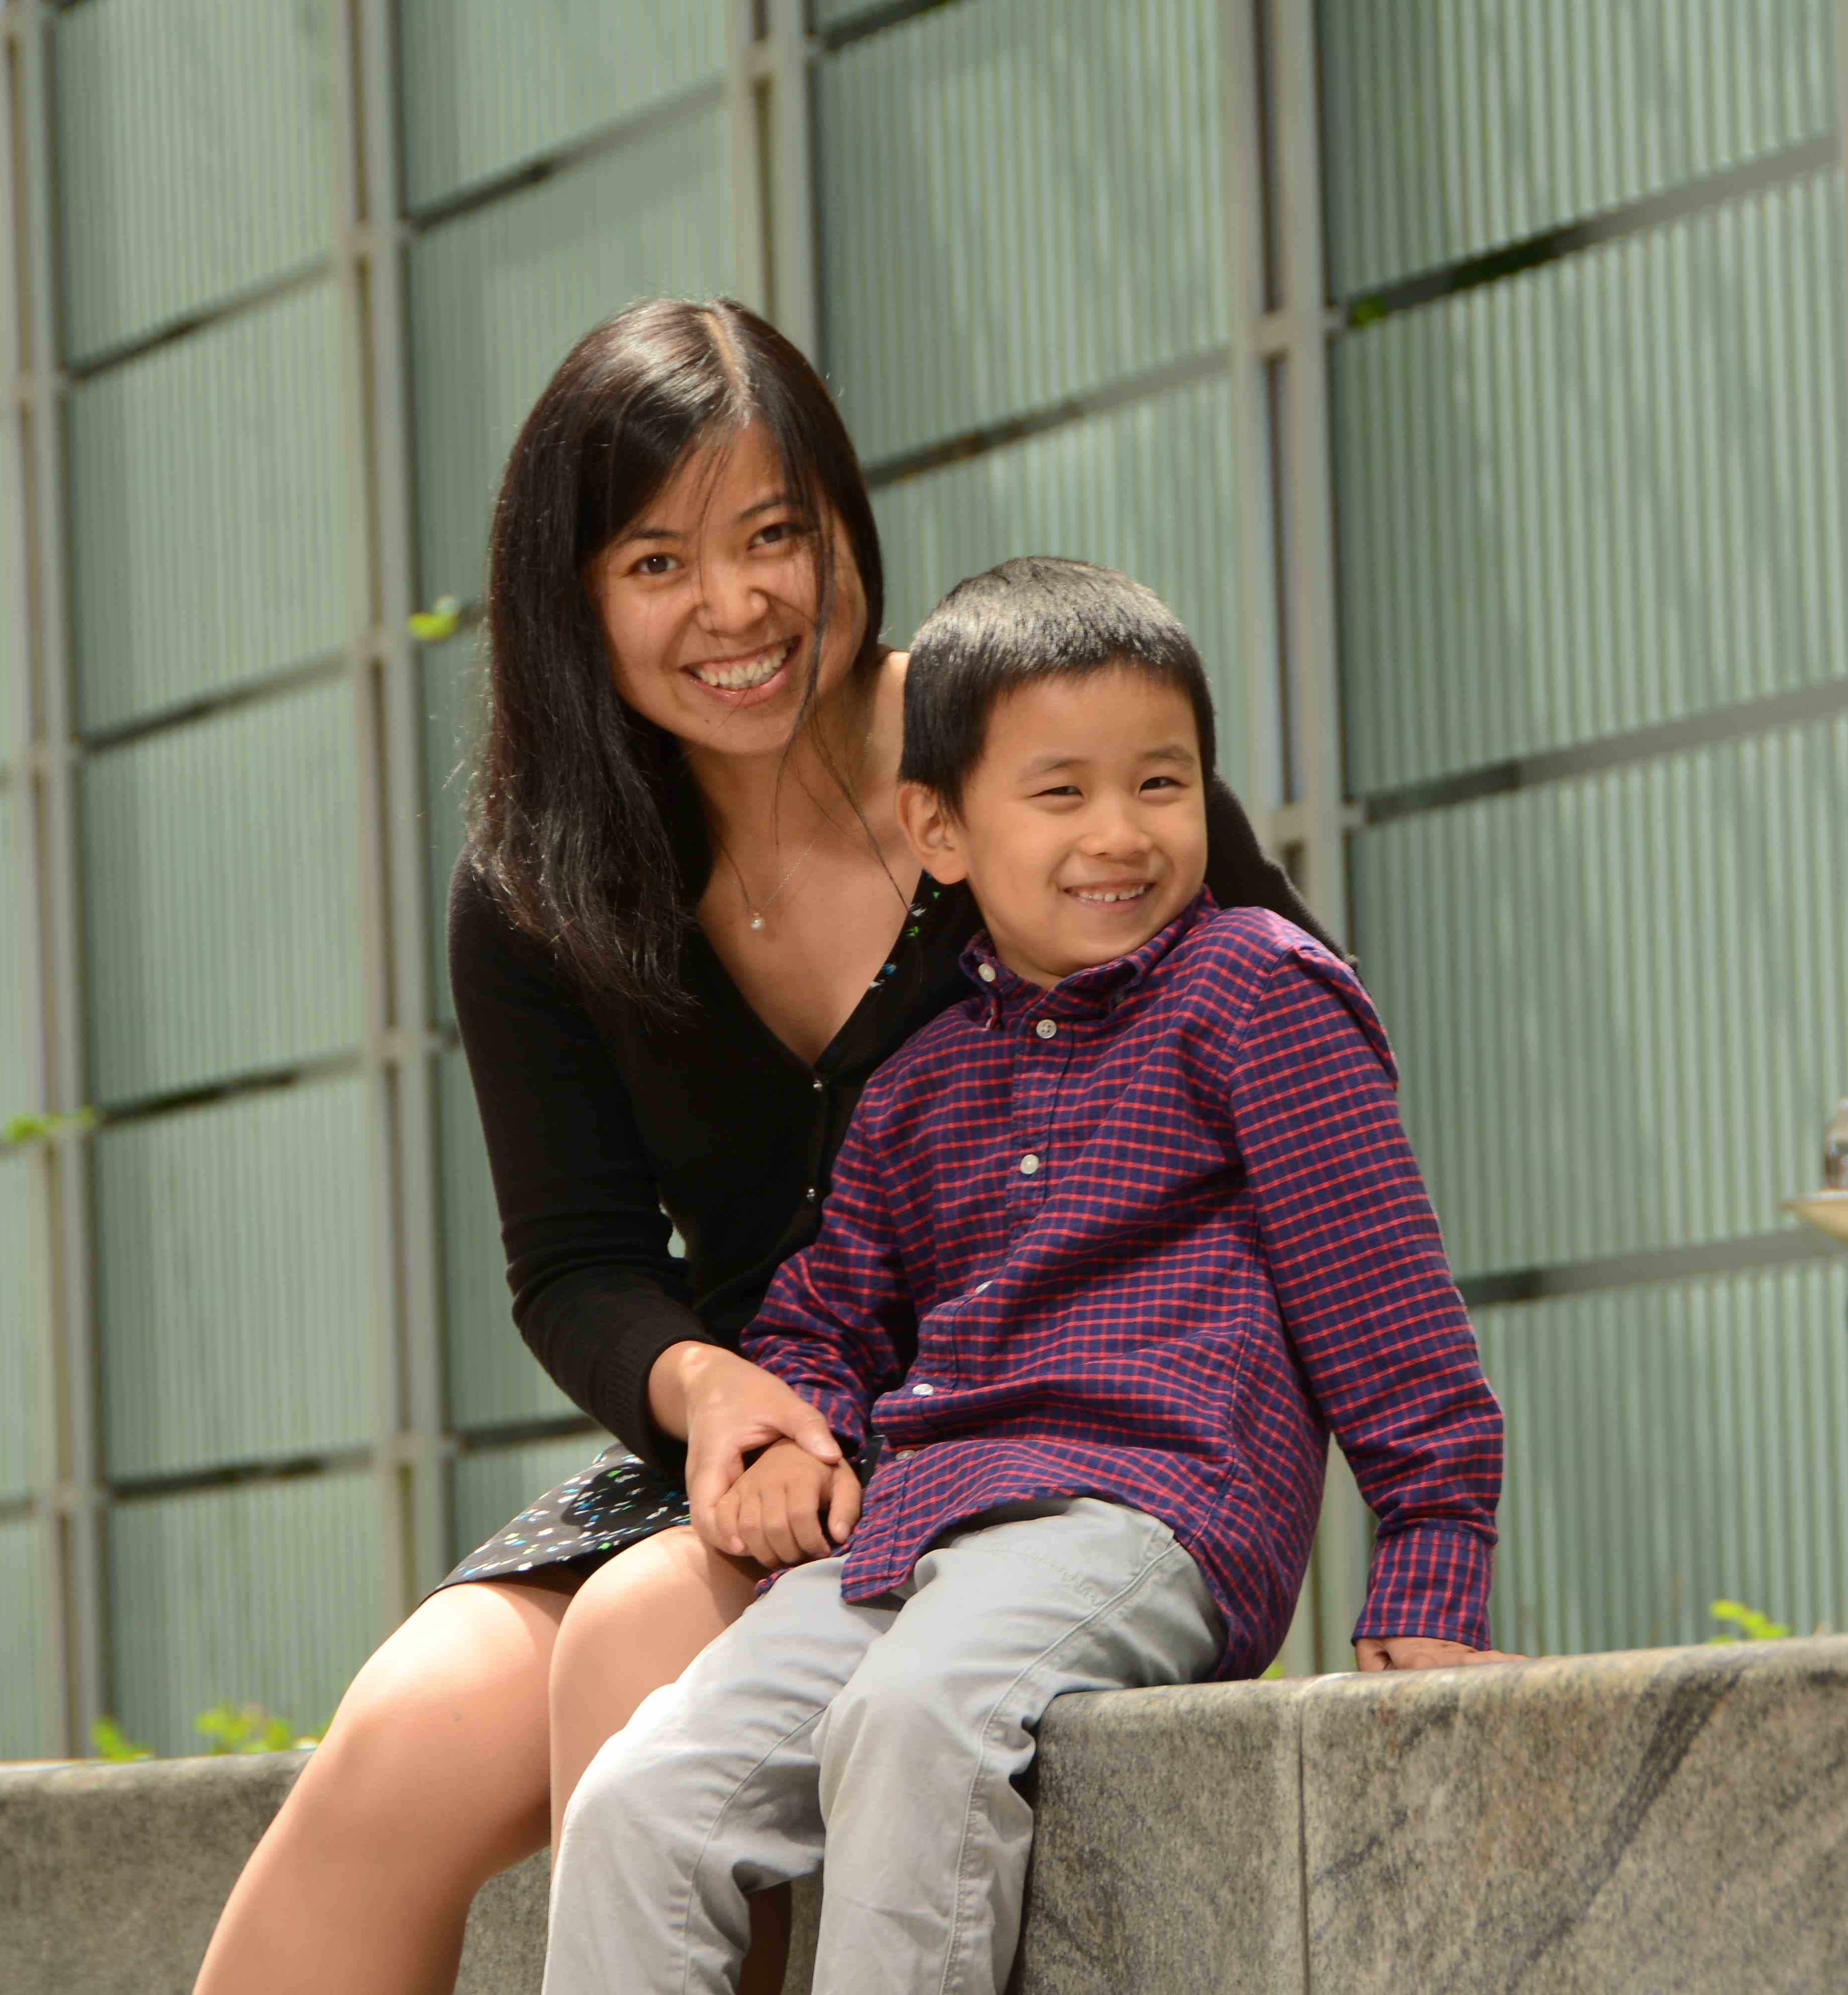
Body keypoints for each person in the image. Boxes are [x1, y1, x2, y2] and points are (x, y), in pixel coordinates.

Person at [190, 303, 1341, 1994]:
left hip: (1045, 1419)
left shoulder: (1042, 763)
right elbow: (575, 1267)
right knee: (392, 1755)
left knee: (643, 1637)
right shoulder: (541, 879)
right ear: (574, 595)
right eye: (657, 561)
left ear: (843, 531)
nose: (732, 608)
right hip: (747, 1423)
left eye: (774, 537)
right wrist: (711, 1393)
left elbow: (1309, 1105)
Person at [541, 557, 1511, 1995]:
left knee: (919, 1718)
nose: (1118, 836)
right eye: (1060, 793)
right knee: (642, 1797)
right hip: (916, 1532)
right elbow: (830, 1312)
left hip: (1149, 1505)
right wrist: (792, 1438)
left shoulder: (1258, 991)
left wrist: (1431, 1571)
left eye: (1162, 785)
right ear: (941, 830)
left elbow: (1391, 1316)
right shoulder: (921, 1082)